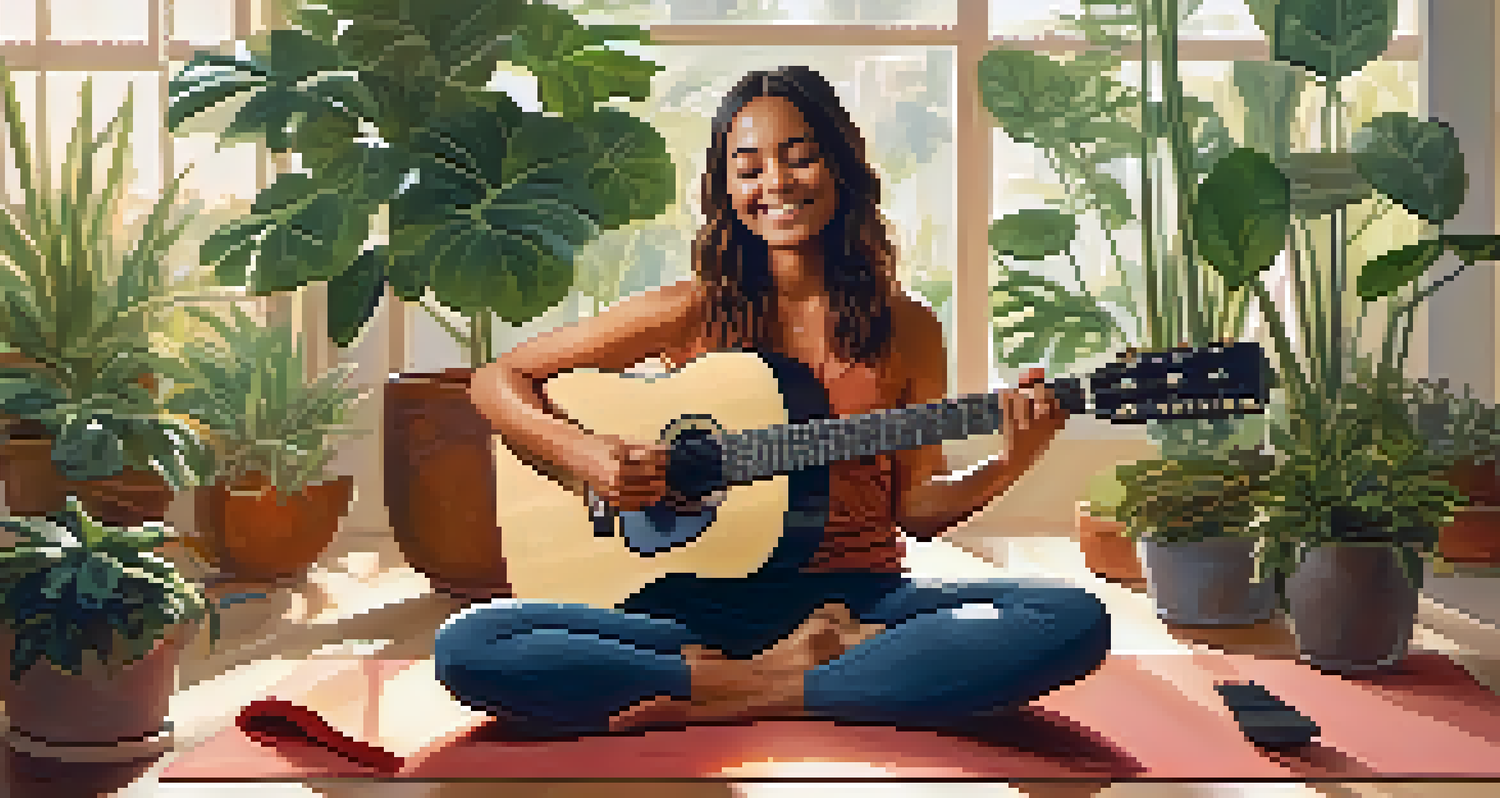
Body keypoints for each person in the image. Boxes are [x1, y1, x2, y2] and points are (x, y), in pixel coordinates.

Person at [436, 65, 1112, 741]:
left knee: (1069, 620)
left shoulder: (906, 327)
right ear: (726, 187)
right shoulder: (691, 310)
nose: (776, 185)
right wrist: (585, 455)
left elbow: (917, 508)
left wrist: (1015, 457)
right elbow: (498, 379)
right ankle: (774, 681)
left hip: (856, 602)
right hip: (688, 602)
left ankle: (764, 686)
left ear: (840, 166)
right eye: (750, 167)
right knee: (472, 643)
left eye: (800, 158)